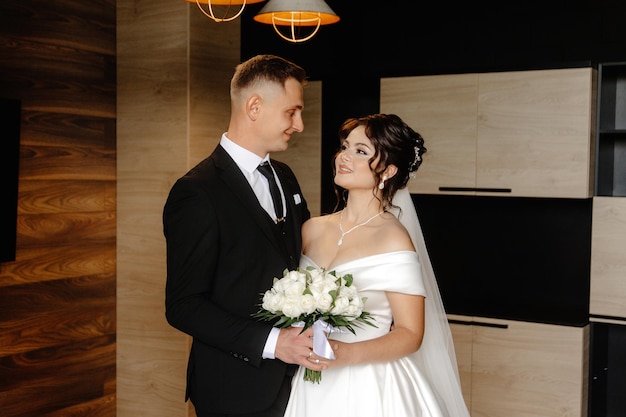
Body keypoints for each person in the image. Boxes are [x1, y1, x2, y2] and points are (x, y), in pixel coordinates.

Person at [163, 54, 324, 417]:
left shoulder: (285, 176)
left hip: (297, 383)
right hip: (233, 389)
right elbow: (183, 306)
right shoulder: (196, 192)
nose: (299, 125)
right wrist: (273, 342)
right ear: (254, 106)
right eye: (292, 112)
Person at [284, 114, 471, 417]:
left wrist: (345, 354)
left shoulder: (393, 238)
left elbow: (411, 333)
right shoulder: (312, 229)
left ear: (387, 170)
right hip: (311, 380)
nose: (343, 157)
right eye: (344, 147)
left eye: (360, 151)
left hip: (369, 386)